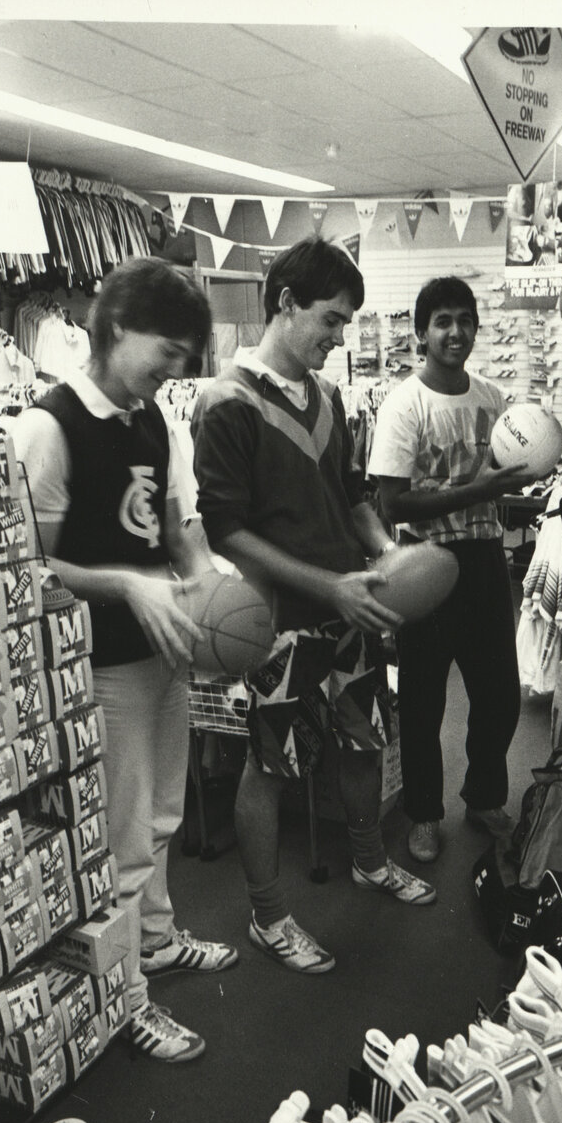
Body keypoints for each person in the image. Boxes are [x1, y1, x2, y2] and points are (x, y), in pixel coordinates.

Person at [12, 257, 237, 1066]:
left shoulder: (159, 421)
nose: (175, 370)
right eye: (166, 351)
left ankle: (159, 940)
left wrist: (221, 601)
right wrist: (124, 585)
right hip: (96, 668)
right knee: (119, 837)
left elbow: (182, 534)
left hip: (163, 652)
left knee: (163, 817)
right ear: (112, 330)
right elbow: (28, 568)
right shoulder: (47, 426)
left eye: (186, 356)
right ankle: (125, 999)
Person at [191, 238, 435, 975]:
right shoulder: (224, 403)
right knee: (270, 766)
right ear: (286, 303)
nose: (338, 337)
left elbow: (354, 495)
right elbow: (226, 529)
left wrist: (388, 552)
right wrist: (325, 585)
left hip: (350, 607)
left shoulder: (329, 398)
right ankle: (269, 917)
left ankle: (368, 861)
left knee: (365, 742)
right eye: (330, 320)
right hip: (276, 624)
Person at [367, 275, 526, 864]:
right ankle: (424, 814)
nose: (455, 332)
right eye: (442, 322)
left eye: (464, 320)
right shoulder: (404, 406)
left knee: (499, 695)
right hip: (423, 565)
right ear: (421, 333)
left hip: (485, 560)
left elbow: (504, 478)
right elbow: (393, 504)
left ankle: (484, 797)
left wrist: (519, 478)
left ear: (476, 328)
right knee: (423, 700)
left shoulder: (492, 398)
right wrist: (476, 489)